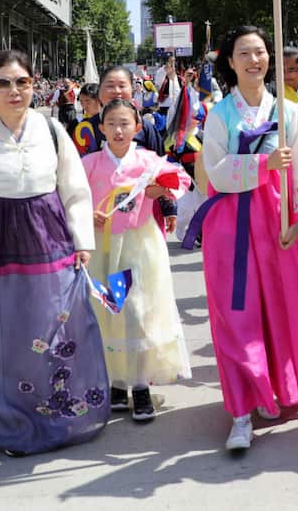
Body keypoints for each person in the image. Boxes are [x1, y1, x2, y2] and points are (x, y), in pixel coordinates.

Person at [0, 49, 108, 457]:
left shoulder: (51, 129)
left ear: (34, 84)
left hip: (46, 236)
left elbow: (74, 189)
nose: (14, 91)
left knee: (49, 325)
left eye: (22, 82)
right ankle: (5, 413)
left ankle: (49, 408)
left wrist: (82, 242)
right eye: (3, 83)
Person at [192, 25, 298, 451]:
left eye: (260, 52)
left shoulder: (288, 111)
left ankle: (280, 385)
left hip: (279, 220)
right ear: (230, 61)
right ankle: (241, 409)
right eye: (244, 53)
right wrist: (262, 165)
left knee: (286, 305)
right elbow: (217, 172)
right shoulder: (220, 113)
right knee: (236, 314)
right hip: (234, 225)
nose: (254, 60)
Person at [81, 99, 192, 421]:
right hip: (103, 248)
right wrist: (90, 215)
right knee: (109, 311)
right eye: (111, 123)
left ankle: (140, 385)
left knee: (138, 312)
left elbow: (181, 179)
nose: (118, 130)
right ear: (101, 127)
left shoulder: (148, 160)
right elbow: (71, 197)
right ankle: (116, 382)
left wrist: (162, 191)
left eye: (125, 123)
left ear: (137, 128)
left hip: (139, 247)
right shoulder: (89, 164)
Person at [77, 67, 165, 156]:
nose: (116, 91)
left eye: (122, 86)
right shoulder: (85, 129)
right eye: (110, 86)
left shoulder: (145, 128)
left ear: (132, 89)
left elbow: (160, 163)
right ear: (99, 91)